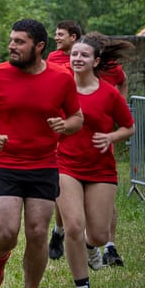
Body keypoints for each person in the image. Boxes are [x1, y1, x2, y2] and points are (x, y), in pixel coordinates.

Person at [0, 18, 83, 288]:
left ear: (39, 46)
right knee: (7, 231)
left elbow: (77, 118)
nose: (12, 46)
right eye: (11, 41)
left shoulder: (61, 78)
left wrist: (65, 126)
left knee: (37, 232)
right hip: (6, 164)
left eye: (19, 42)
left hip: (44, 164)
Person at [57, 33, 135, 288]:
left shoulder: (109, 94)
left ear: (95, 61)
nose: (77, 58)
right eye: (74, 54)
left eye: (84, 55)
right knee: (74, 226)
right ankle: (82, 286)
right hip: (65, 164)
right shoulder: (60, 89)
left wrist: (111, 137)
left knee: (100, 234)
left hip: (101, 168)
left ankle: (92, 247)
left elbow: (129, 126)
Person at [46, 21, 83, 260]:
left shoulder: (86, 56)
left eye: (60, 35)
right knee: (62, 179)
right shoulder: (53, 56)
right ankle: (60, 230)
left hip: (81, 122)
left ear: (74, 36)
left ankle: (100, 240)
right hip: (58, 126)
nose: (56, 38)